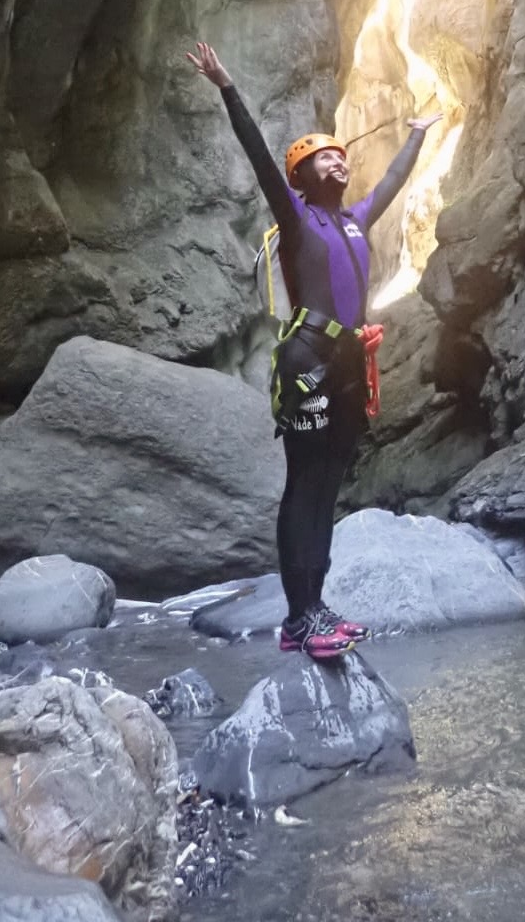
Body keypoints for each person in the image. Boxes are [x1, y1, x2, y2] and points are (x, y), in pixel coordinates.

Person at [187, 40, 441, 659]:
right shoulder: (296, 220)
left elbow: (390, 181)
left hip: (351, 364)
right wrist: (227, 88)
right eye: (321, 159)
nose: (337, 163)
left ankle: (317, 608)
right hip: (307, 362)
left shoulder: (355, 220)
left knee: (330, 487)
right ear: (300, 177)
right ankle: (299, 618)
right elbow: (259, 160)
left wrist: (415, 135)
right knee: (304, 484)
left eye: (339, 155)